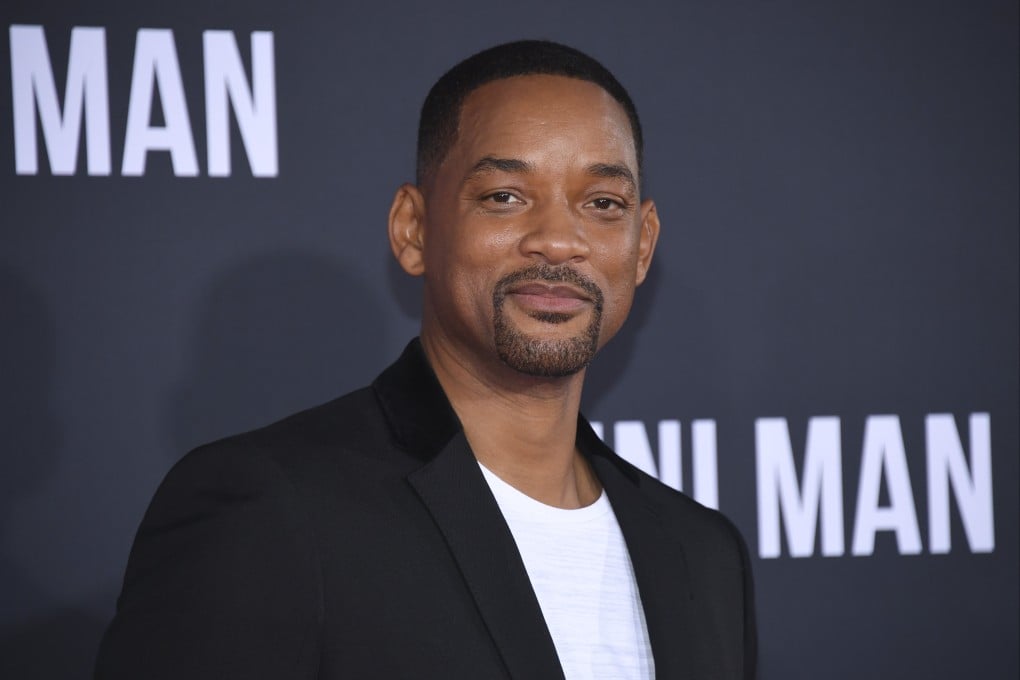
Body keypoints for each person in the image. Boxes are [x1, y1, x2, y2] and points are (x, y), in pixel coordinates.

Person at [95, 40, 757, 680]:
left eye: (602, 204)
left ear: (642, 248)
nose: (559, 240)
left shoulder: (703, 555)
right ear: (413, 230)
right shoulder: (271, 511)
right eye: (505, 196)